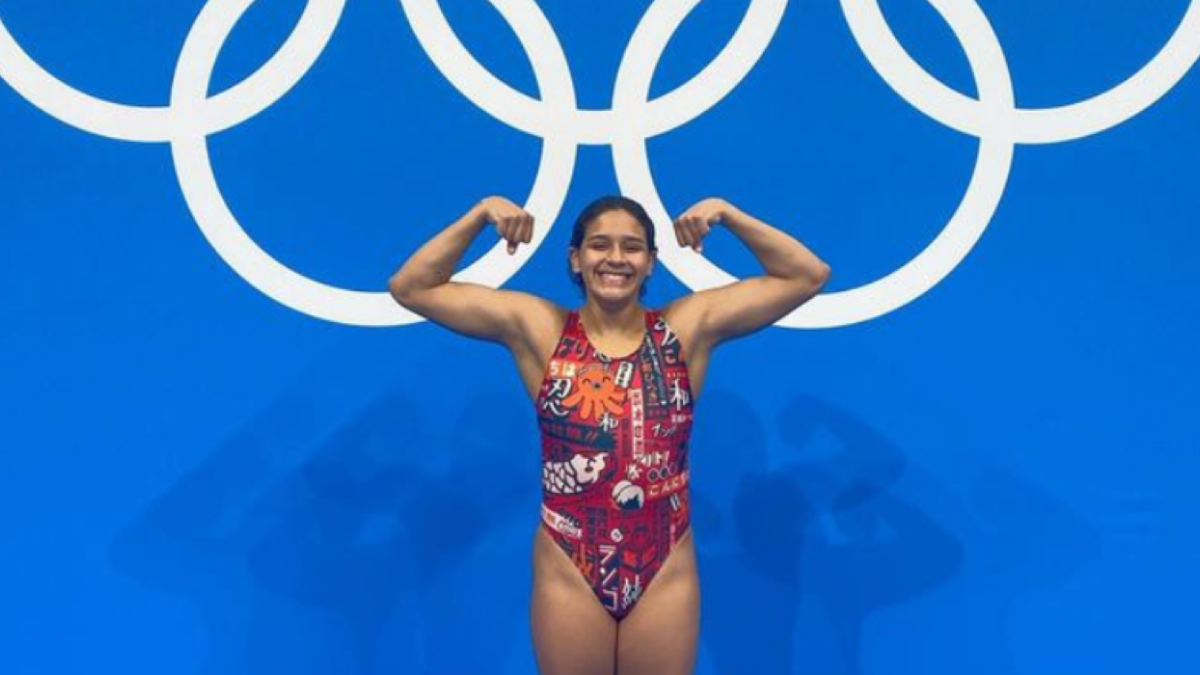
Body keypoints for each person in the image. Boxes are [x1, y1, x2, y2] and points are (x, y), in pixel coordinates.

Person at [388, 194, 830, 675]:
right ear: (575, 259)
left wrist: (730, 214)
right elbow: (411, 287)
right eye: (600, 245)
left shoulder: (685, 329)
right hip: (569, 560)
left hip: (664, 563)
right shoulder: (540, 329)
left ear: (650, 262)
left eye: (632, 247)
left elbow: (807, 275)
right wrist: (479, 214)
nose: (616, 258)